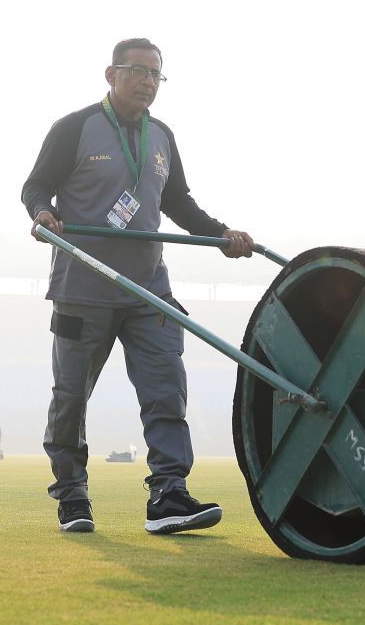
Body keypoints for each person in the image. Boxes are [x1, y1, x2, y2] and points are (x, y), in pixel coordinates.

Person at [21, 37, 253, 535]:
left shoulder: (163, 136)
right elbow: (35, 185)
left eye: (156, 74)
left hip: (149, 290)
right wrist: (43, 212)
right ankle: (72, 495)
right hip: (83, 287)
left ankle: (169, 495)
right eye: (138, 72)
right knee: (71, 397)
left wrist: (221, 235)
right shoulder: (74, 128)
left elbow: (180, 203)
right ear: (111, 74)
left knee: (167, 390)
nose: (148, 82)